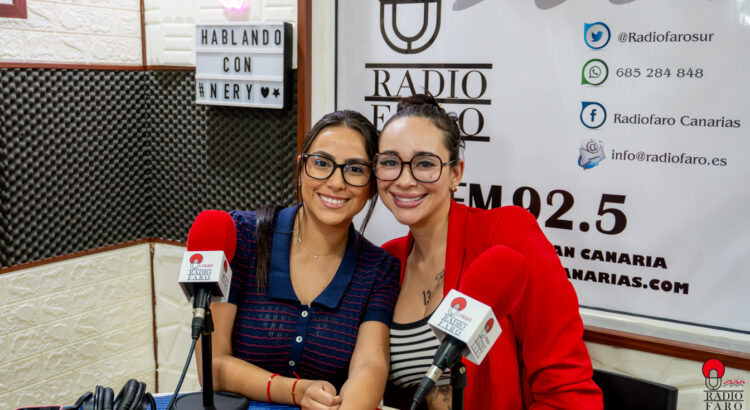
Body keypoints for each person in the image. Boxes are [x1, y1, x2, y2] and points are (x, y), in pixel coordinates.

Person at [375, 94, 603, 409]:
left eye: (425, 163)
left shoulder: (506, 236)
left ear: (456, 173)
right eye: (389, 162)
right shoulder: (386, 262)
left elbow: (569, 394)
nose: (404, 180)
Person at [198, 110, 401, 409]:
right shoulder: (241, 237)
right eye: (321, 163)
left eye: (355, 169)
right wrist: (296, 391)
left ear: (372, 185)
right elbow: (212, 365)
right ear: (301, 168)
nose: (336, 182)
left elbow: (369, 366)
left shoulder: (379, 269)